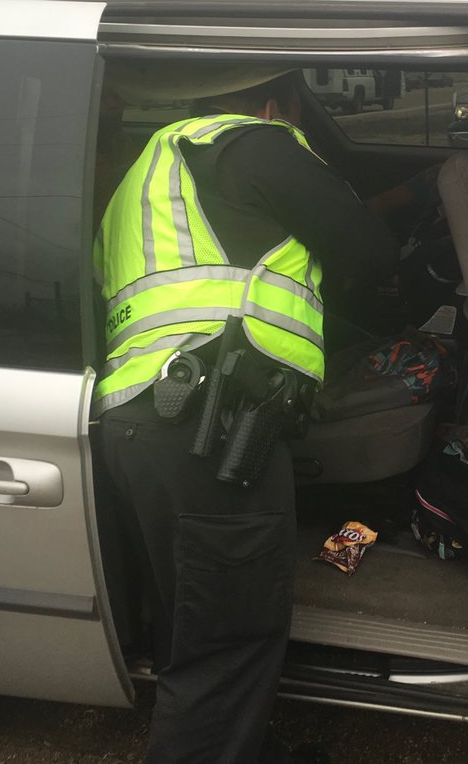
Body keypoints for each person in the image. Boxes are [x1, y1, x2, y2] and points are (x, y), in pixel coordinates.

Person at [93, 67, 397, 764]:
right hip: (210, 428)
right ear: (273, 103)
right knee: (228, 640)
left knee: (194, 625)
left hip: (143, 424)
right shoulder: (256, 143)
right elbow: (369, 251)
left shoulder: (144, 182)